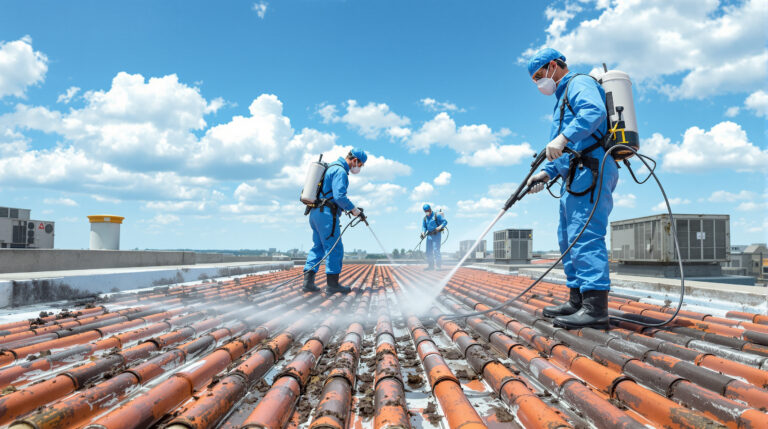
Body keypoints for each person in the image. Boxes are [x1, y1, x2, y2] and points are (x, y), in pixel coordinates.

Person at [525, 48, 618, 329]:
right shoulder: (561, 97)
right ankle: (577, 300)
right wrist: (545, 173)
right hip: (575, 172)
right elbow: (566, 151)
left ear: (554, 65)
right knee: (567, 237)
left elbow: (594, 112)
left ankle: (595, 308)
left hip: (591, 168)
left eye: (540, 75)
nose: (540, 83)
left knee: (585, 235)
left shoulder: (579, 83)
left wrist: (563, 137)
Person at [303, 149, 367, 294]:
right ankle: (332, 285)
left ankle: (308, 283)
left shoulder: (330, 167)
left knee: (318, 247)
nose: (359, 168)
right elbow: (339, 197)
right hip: (326, 215)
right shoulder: (340, 171)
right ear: (355, 160)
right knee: (335, 247)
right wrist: (354, 210)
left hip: (315, 213)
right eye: (360, 164)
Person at [421, 204, 447, 270]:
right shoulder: (425, 218)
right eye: (425, 211)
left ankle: (438, 266)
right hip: (429, 236)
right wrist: (423, 232)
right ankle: (431, 266)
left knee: (436, 250)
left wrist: (440, 227)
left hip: (436, 235)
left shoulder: (437, 215)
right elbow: (424, 227)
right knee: (428, 251)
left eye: (428, 210)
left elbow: (445, 222)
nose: (427, 212)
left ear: (430, 209)